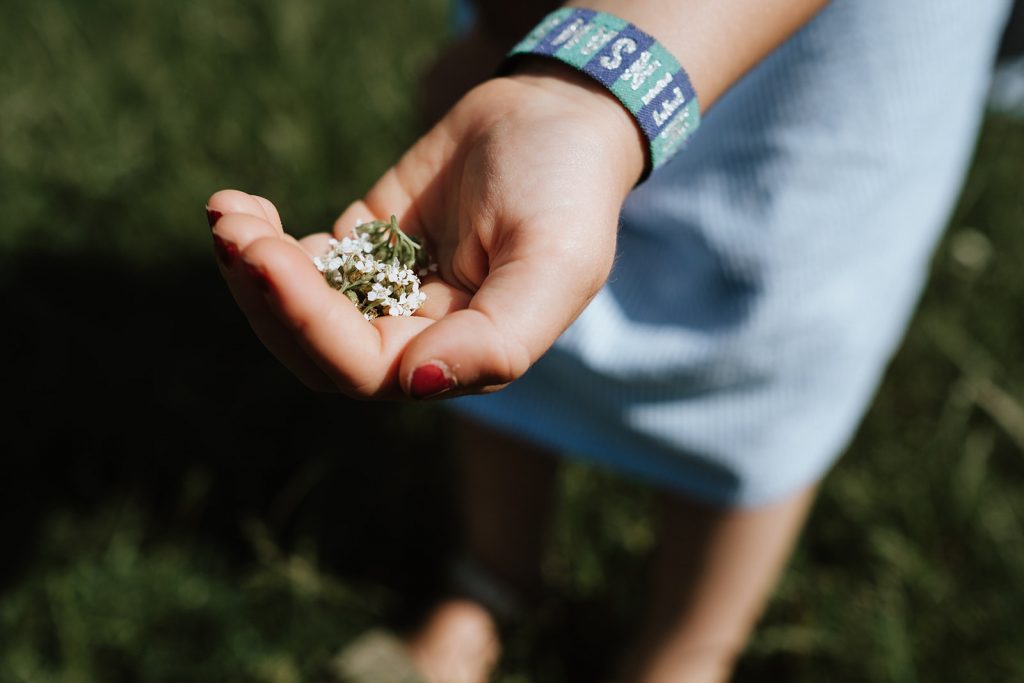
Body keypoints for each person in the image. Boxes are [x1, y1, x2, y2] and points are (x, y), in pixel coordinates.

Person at [206, 0, 1014, 680]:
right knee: (491, 288)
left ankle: (688, 648)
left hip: (827, 75)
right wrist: (510, 37)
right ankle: (492, 577)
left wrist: (591, 90)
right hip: (552, 40)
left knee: (766, 344)